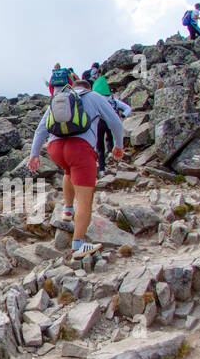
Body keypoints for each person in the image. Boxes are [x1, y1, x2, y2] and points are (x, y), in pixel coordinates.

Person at [24, 63, 128, 255]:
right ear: (88, 87)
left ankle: (68, 209)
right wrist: (118, 146)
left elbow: (41, 129)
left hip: (56, 149)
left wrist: (34, 155)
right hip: (80, 149)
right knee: (86, 200)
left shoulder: (60, 98)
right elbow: (115, 122)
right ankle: (78, 245)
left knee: (68, 171)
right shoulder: (95, 97)